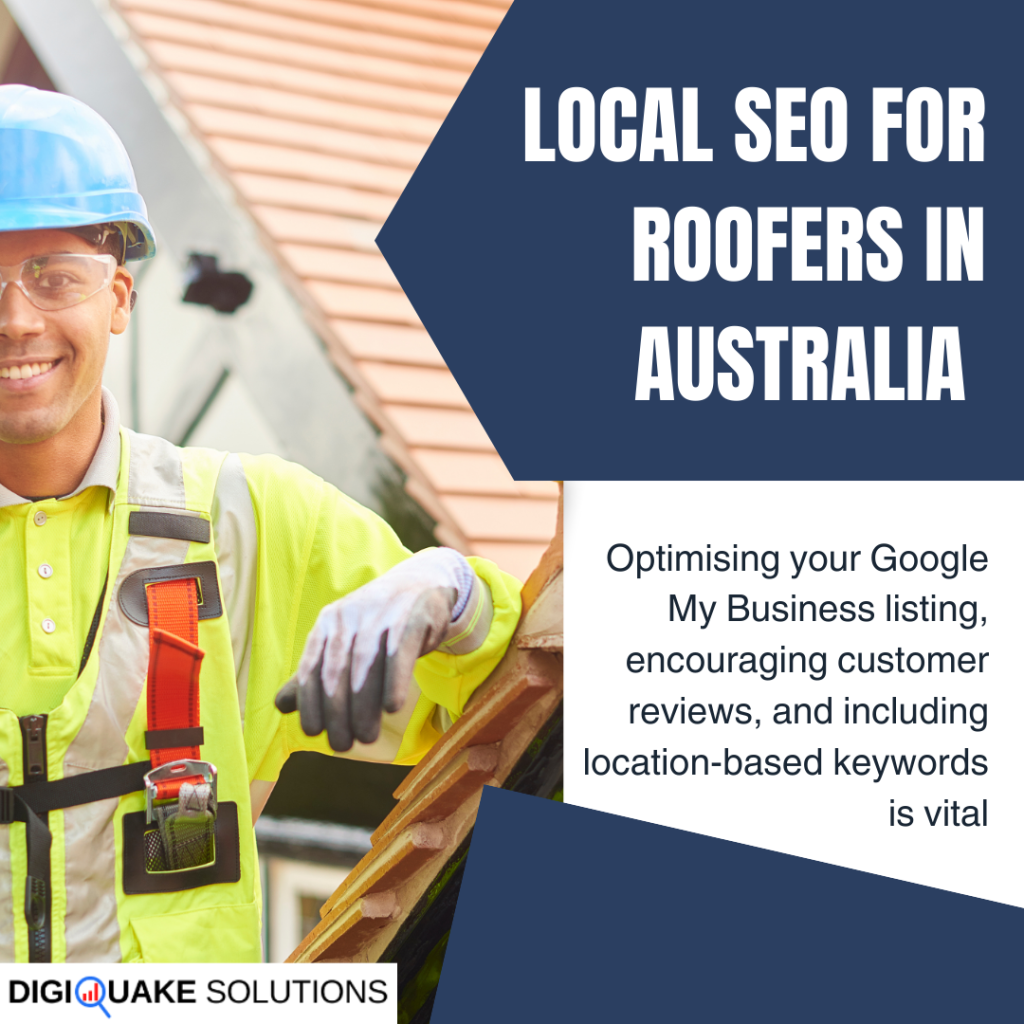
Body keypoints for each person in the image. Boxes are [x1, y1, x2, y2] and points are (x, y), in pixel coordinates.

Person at [0, 85, 521, 963]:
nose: (16, 319)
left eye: (54, 276)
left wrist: (448, 588)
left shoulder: (250, 524)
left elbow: (522, 700)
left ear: (120, 298)